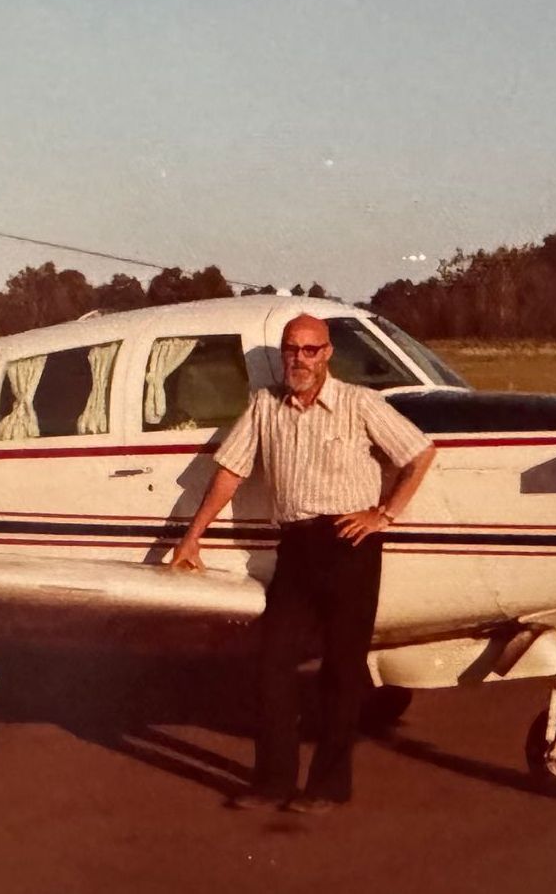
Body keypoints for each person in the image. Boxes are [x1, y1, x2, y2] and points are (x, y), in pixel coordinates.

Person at [171, 314, 436, 814]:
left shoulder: (360, 404)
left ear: (327, 353)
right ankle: (272, 782)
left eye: (310, 350)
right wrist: (193, 536)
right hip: (295, 547)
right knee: (272, 665)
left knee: (341, 671)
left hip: (349, 546)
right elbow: (230, 471)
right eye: (291, 350)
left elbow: (419, 454)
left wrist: (385, 514)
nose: (300, 359)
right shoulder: (265, 406)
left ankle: (328, 788)